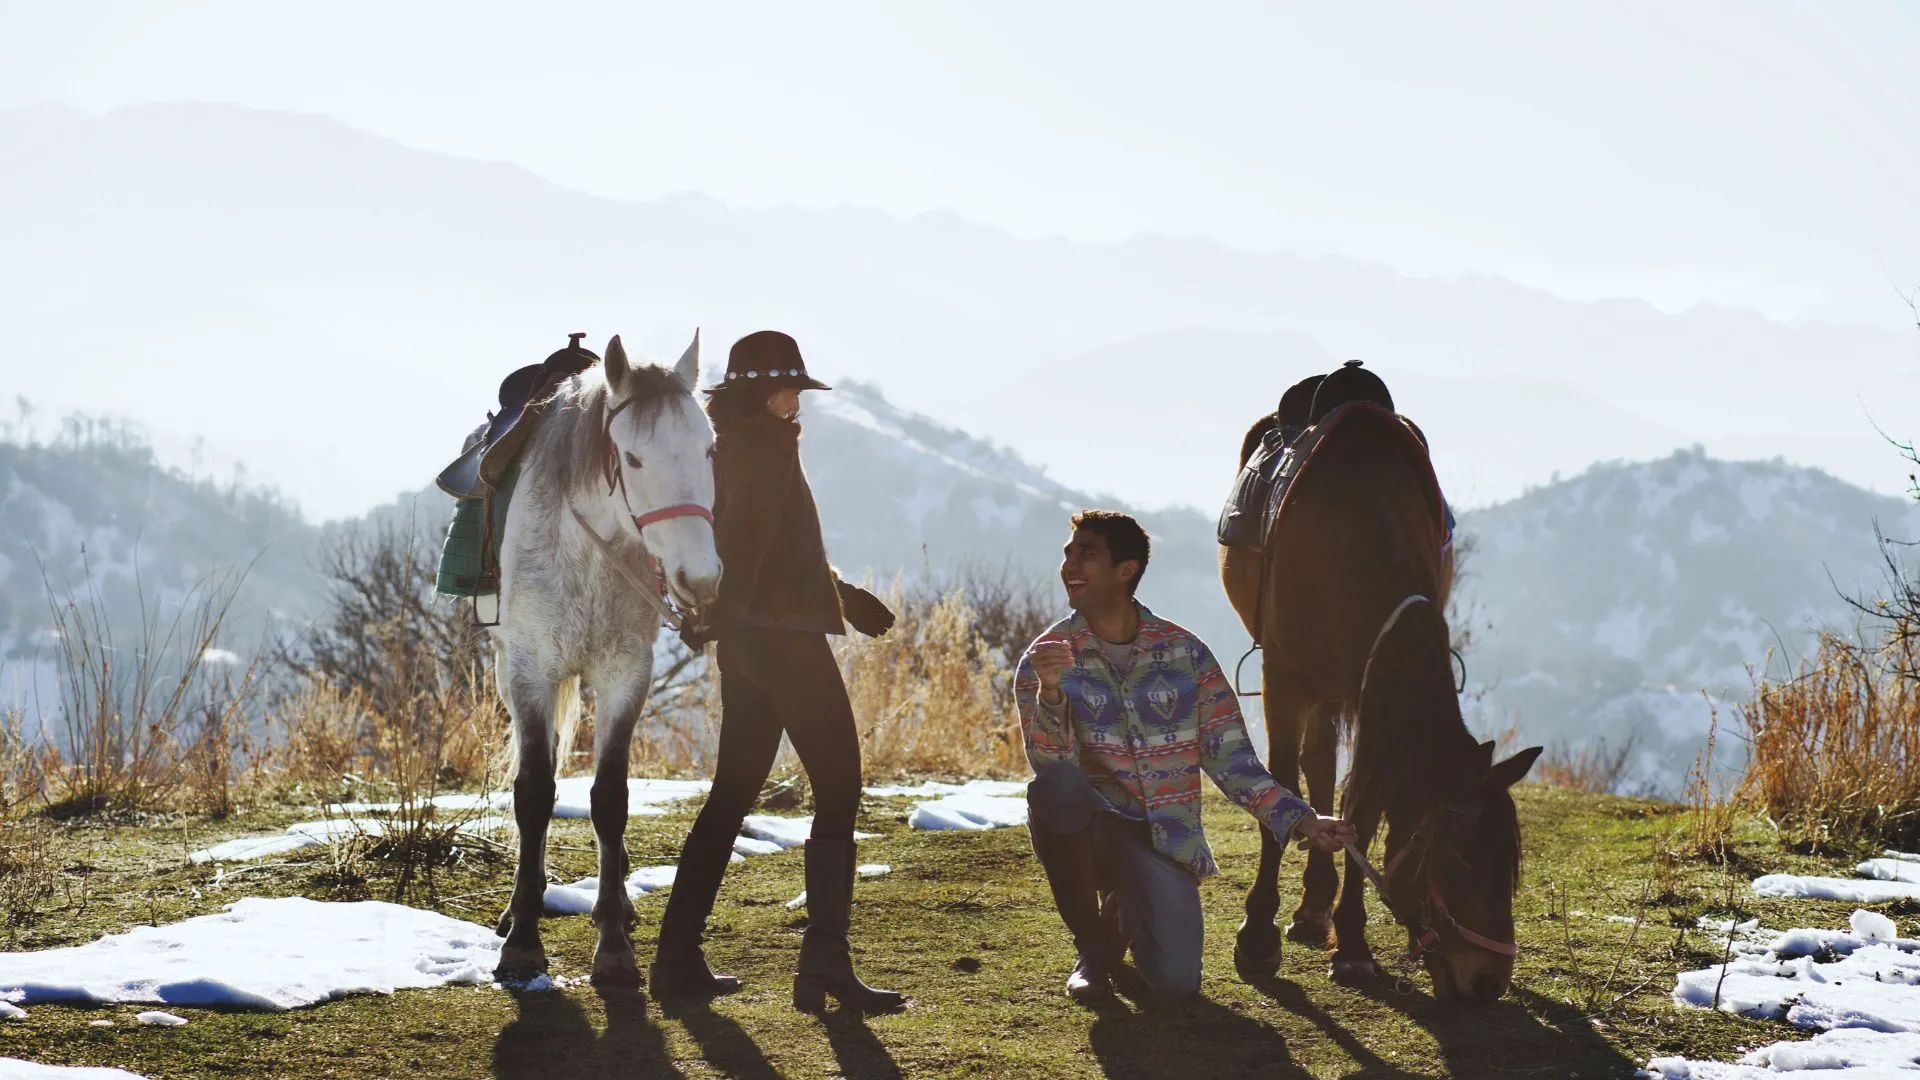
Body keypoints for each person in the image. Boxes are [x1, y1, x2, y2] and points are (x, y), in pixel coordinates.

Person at [649, 330, 907, 1014]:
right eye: (793, 389)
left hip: (751, 645)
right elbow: (749, 541)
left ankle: (675, 958)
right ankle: (824, 961)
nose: (799, 402)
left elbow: (759, 540)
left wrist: (841, 597)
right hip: (786, 643)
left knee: (732, 794)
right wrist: (725, 616)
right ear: (770, 392)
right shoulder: (768, 444)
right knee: (840, 792)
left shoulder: (724, 443)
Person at [1016, 509, 1358, 1001]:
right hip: (1092, 828)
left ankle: (1124, 908)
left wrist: (1304, 821)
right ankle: (1093, 948)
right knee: (1057, 790)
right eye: (1068, 553)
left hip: (1164, 840)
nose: (1070, 564)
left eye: (1086, 553)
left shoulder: (1186, 655)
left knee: (1176, 984)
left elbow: (1235, 763)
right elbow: (1050, 769)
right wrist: (1051, 694)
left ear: (1125, 570)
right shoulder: (1047, 657)